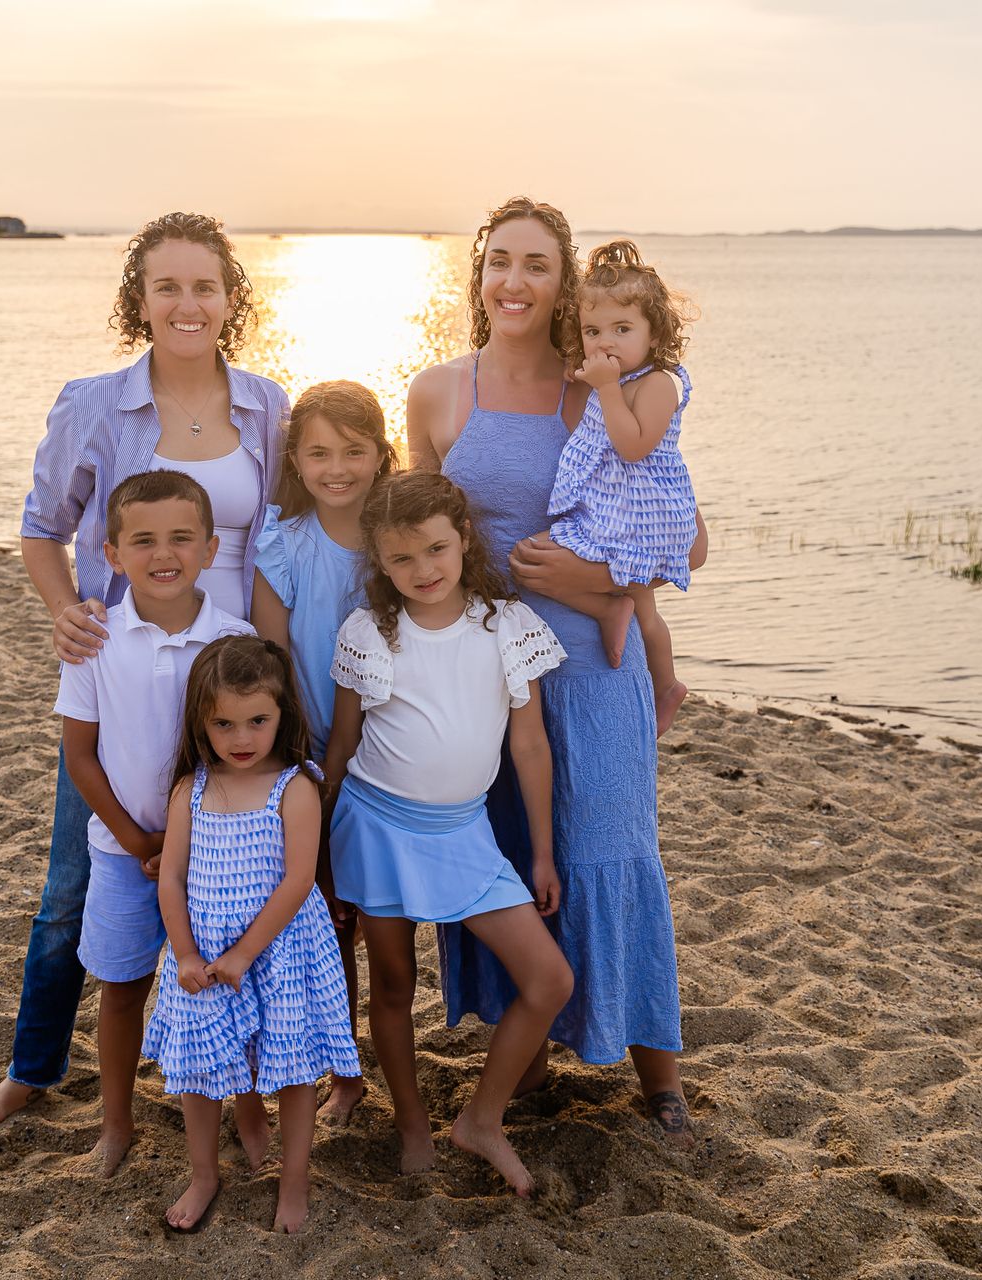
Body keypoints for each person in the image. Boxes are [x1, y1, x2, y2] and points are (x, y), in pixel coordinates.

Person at [0, 211, 285, 1142]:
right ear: (139, 299)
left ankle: (236, 1083)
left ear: (231, 300)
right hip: (126, 661)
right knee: (76, 880)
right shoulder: (95, 403)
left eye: (205, 286)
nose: (188, 303)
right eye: (167, 286)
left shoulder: (267, 403)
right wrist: (68, 609)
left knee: (237, 876)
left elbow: (286, 537)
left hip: (235, 673)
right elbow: (40, 526)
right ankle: (30, 1070)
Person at [404, 196, 702, 1146]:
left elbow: (688, 539)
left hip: (593, 667)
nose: (513, 282)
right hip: (483, 677)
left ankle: (656, 1073)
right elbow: (413, 540)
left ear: (563, 282)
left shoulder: (603, 390)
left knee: (612, 850)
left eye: (536, 265)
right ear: (478, 274)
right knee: (507, 866)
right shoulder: (440, 393)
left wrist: (600, 583)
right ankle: (522, 1056)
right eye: (498, 262)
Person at [323, 472, 573, 1196]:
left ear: (463, 538)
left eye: (436, 549)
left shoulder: (508, 625)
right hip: (377, 827)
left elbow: (529, 747)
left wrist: (543, 852)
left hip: (465, 836)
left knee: (548, 978)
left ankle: (481, 1119)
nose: (423, 570)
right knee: (394, 985)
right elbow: (342, 747)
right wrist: (320, 858)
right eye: (401, 559)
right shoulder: (369, 632)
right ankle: (409, 1123)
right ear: (379, 560)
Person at [50, 470, 256, 1176]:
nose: (162, 553)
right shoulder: (94, 637)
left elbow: (244, 754)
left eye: (180, 538)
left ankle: (249, 1113)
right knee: (123, 987)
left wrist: (184, 843)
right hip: (122, 849)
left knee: (231, 981)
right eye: (143, 540)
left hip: (218, 853)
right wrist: (139, 840)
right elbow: (80, 755)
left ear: (210, 547)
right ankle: (117, 1122)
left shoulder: (234, 638)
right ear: (112, 553)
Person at [142, 635, 361, 1234]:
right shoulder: (191, 788)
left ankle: (294, 1182)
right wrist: (185, 951)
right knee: (203, 1069)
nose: (242, 739)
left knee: (291, 1071)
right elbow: (172, 880)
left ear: (281, 715)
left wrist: (246, 952)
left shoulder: (295, 786)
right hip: (204, 951)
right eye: (225, 724)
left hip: (281, 949)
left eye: (257, 721)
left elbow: (297, 881)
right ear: (202, 723)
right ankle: (205, 1173)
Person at [250, 379, 396, 1124]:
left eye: (352, 450)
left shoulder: (395, 542)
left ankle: (385, 1048)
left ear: (380, 455)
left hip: (399, 756)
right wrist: (304, 761)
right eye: (318, 453)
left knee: (384, 920)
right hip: (314, 755)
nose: (336, 467)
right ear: (296, 462)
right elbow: (272, 659)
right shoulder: (283, 544)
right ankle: (343, 1068)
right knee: (328, 916)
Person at [543, 239, 697, 736]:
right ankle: (612, 607)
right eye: (593, 331)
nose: (605, 342)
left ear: (655, 336)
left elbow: (632, 446)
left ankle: (668, 684)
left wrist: (606, 387)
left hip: (647, 512)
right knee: (545, 558)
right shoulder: (614, 375)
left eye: (622, 329)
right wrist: (587, 371)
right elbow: (580, 377)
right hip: (614, 509)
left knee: (641, 605)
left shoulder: (657, 384)